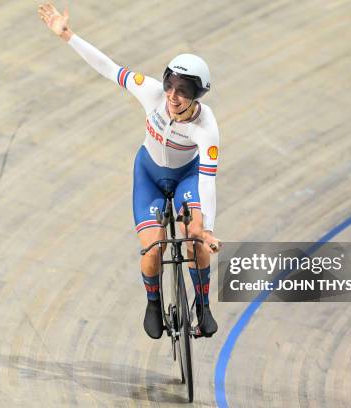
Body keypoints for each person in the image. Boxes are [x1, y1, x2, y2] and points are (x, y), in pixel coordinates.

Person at [38, 3, 220, 338]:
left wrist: (203, 226)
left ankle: (203, 305)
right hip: (149, 175)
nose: (173, 96)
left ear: (198, 95)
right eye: (171, 85)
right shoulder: (151, 92)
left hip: (186, 178)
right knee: (153, 246)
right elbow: (110, 68)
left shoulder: (207, 127)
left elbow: (207, 180)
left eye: (184, 91)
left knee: (197, 243)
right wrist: (68, 36)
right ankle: (153, 303)